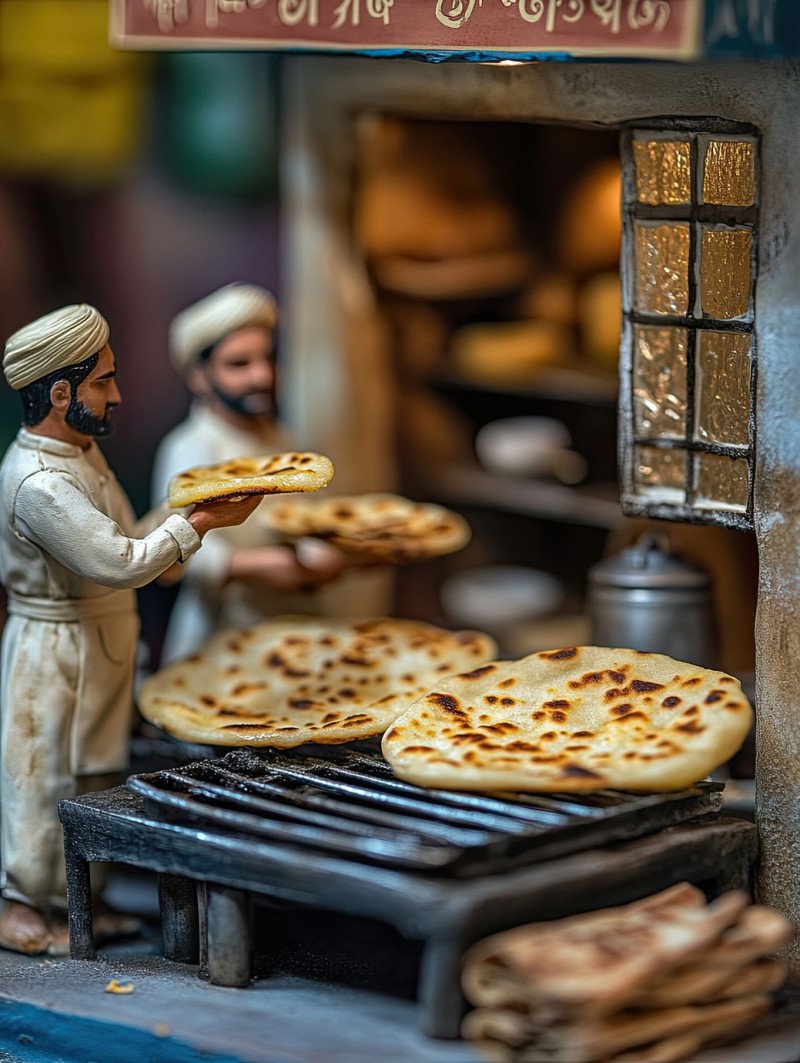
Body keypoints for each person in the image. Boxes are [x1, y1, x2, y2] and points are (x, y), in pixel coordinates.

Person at [0, 303, 262, 956]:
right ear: (61, 394)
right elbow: (120, 562)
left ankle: (85, 896)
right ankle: (23, 902)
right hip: (57, 649)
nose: (116, 395)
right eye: (103, 381)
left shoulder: (81, 454)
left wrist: (188, 508)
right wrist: (198, 524)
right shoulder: (39, 482)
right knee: (45, 774)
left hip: (102, 640)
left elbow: (128, 539)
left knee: (96, 772)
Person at [151, 283, 345, 664]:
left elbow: (312, 517)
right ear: (199, 376)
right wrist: (260, 567)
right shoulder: (189, 447)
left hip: (293, 633)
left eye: (267, 359)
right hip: (222, 636)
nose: (262, 376)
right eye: (239, 364)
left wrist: (334, 551)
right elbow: (165, 549)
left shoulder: (282, 438)